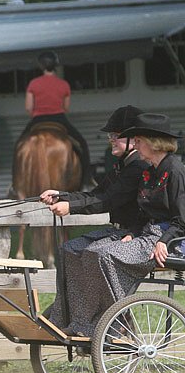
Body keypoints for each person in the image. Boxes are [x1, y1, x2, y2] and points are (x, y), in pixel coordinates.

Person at [38, 106, 147, 336]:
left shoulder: (138, 168)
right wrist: (62, 195)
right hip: (117, 232)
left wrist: (70, 207)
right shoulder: (121, 166)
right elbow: (96, 193)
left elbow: (107, 201)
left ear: (135, 140)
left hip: (135, 235)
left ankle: (111, 325)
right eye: (111, 136)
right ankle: (68, 317)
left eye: (117, 136)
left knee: (93, 254)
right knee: (68, 249)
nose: (112, 140)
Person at [23, 51, 93, 186]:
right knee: (82, 144)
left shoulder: (34, 83)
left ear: (41, 66)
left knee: (19, 146)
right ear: (56, 65)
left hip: (38, 119)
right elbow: (66, 108)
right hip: (59, 119)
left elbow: (28, 108)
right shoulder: (64, 84)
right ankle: (86, 179)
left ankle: (15, 183)